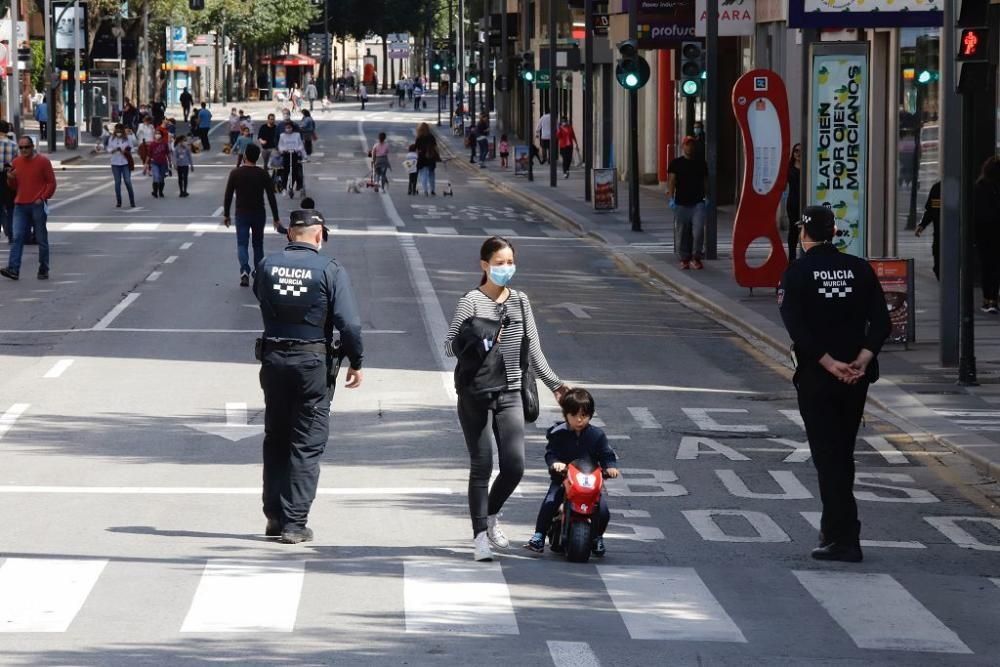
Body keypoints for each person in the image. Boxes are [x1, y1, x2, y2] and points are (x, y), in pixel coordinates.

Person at [778, 205, 891, 563]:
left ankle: (845, 537)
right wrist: (862, 358)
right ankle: (835, 529)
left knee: (828, 457)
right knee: (843, 451)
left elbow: (798, 329)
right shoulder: (860, 269)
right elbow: (883, 322)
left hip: (817, 376)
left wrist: (828, 363)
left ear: (804, 233)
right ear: (835, 232)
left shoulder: (796, 273)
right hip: (856, 378)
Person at [444, 236, 568, 561]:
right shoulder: (471, 301)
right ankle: (480, 538)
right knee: (482, 464)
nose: (506, 268)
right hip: (476, 392)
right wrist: (480, 335)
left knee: (514, 466)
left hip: (512, 391)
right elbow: (450, 345)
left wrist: (557, 385)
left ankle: (490, 514)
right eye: (499, 263)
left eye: (510, 262)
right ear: (484, 265)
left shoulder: (520, 301)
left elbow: (535, 351)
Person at [254, 209, 364, 544]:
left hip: (273, 358)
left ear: (290, 234)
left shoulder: (267, 265)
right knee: (306, 442)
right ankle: (294, 523)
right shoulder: (330, 268)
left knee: (276, 438)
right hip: (311, 361)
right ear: (319, 235)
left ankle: (274, 516)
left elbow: (261, 296)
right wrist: (356, 360)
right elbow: (349, 323)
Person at [524, 388, 619, 557]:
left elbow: (606, 454)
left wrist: (610, 467)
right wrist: (555, 464)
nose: (579, 419)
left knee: (602, 510)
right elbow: (550, 453)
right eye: (574, 415)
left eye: (584, 415)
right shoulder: (558, 433)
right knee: (551, 501)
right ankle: (539, 536)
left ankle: (597, 537)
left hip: (588, 482)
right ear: (566, 414)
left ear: (591, 415)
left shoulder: (597, 435)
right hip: (563, 480)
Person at [1, 136, 57, 281]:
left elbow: (51, 183)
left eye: (26, 147)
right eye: (21, 148)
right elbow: (13, 186)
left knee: (41, 238)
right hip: (20, 204)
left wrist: (42, 197)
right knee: (17, 236)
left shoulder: (43, 161)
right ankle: (13, 269)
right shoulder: (16, 162)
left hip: (37, 205)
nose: (24, 150)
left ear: (33, 147)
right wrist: (10, 178)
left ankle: (43, 268)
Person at [224, 143, 280, 285]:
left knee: (242, 244)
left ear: (245, 156)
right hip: (259, 213)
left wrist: (226, 214)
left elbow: (228, 195)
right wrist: (276, 218)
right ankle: (258, 272)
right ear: (258, 157)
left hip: (241, 214)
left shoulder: (235, 173)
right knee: (258, 244)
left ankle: (244, 270)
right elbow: (271, 197)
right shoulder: (262, 174)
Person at [667, 136, 709, 270]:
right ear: (682, 147)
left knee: (698, 231)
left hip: (698, 203)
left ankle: (696, 257)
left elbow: (705, 181)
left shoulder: (701, 163)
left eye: (691, 145)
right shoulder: (676, 163)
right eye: (687, 145)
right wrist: (671, 197)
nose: (689, 147)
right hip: (681, 203)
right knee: (683, 232)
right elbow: (672, 181)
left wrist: (707, 196)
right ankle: (685, 258)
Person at [974, 157, 1000, 314]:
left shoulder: (980, 187)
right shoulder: (987, 188)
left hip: (985, 234)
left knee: (989, 267)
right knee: (993, 268)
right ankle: (991, 299)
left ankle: (989, 299)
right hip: (991, 233)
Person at [915, 180, 941, 280]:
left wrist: (922, 225)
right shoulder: (938, 188)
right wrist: (922, 225)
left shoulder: (938, 187)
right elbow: (932, 210)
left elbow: (931, 210)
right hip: (939, 234)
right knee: (938, 265)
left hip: (941, 234)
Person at [107, 123, 137, 208]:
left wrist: (126, 150)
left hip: (125, 162)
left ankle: (132, 201)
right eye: (117, 131)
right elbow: (108, 148)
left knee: (127, 181)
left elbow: (133, 148)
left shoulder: (128, 138)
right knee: (117, 182)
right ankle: (119, 201)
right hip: (115, 163)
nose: (118, 133)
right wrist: (113, 150)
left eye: (120, 131)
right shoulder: (111, 139)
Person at [0, 121, 18, 242]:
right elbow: (17, 165)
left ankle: (4, 226)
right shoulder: (14, 145)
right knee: (10, 207)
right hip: (8, 177)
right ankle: (11, 234)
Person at [278, 121, 306, 194]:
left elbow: (300, 144)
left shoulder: (296, 135)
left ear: (292, 128)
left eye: (289, 128)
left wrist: (298, 149)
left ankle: (291, 186)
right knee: (285, 172)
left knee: (294, 172)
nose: (288, 129)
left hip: (294, 155)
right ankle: (284, 187)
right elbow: (280, 145)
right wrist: (282, 150)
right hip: (286, 155)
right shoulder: (282, 136)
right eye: (287, 128)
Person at [786, 143, 802, 261]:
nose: (798, 153)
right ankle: (792, 257)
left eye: (801, 151)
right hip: (793, 201)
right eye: (796, 151)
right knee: (793, 229)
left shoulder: (807, 166)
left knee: (806, 229)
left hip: (805, 201)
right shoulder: (789, 167)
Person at [415, 122, 439, 196]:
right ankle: (432, 189)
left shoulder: (419, 138)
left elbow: (416, 149)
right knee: (431, 174)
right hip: (431, 157)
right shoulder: (431, 136)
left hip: (422, 157)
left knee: (423, 174)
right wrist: (437, 155)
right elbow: (435, 147)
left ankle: (425, 190)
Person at [146, 130, 172, 199]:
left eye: (159, 134)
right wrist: (146, 164)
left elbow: (168, 154)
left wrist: (170, 162)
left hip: (163, 163)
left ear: (161, 135)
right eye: (156, 134)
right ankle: (155, 191)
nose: (157, 135)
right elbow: (149, 155)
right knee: (156, 177)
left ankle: (160, 192)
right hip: (155, 163)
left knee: (161, 178)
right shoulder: (152, 144)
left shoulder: (164, 143)